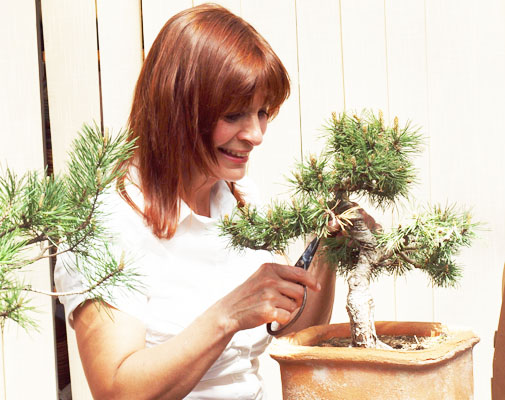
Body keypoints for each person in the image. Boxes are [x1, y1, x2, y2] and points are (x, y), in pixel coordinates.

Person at [54, 4, 336, 399]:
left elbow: (295, 332)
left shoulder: (239, 199)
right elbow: (118, 391)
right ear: (178, 109)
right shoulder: (106, 223)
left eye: (262, 112)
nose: (256, 134)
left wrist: (332, 248)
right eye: (234, 115)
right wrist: (228, 314)